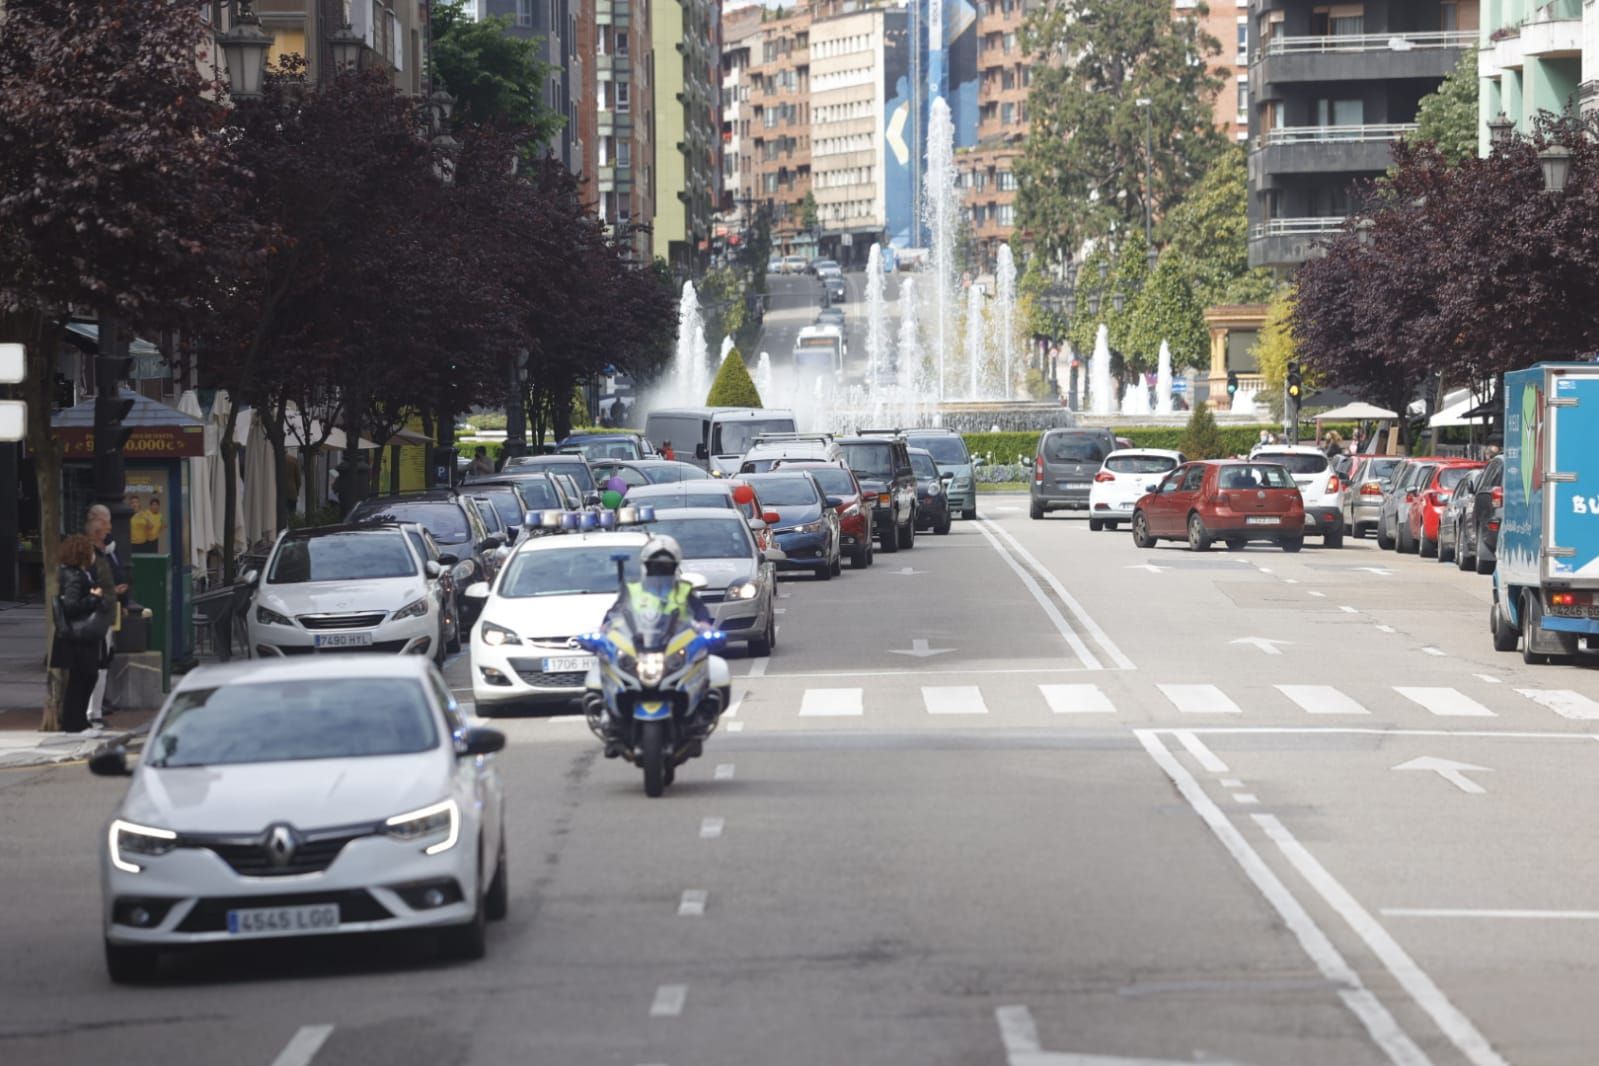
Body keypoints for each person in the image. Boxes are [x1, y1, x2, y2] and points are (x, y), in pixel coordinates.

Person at [51, 534, 111, 734]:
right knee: (83, 677)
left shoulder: (79, 573)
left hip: (84, 636)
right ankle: (73, 722)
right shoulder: (74, 575)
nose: (93, 555)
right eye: (90, 551)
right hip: (79, 635)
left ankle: (78, 721)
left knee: (87, 676)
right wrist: (94, 598)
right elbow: (71, 606)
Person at [85, 504, 128, 726]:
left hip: (107, 610)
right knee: (96, 662)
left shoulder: (108, 549)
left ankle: (97, 709)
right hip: (94, 614)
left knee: (104, 660)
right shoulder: (89, 552)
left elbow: (116, 573)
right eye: (104, 524)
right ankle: (92, 712)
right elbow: (88, 582)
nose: (109, 528)